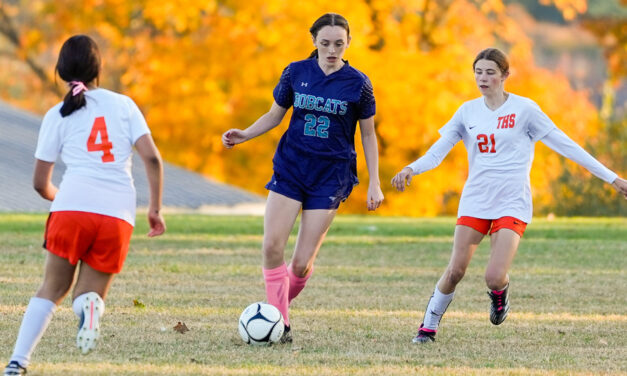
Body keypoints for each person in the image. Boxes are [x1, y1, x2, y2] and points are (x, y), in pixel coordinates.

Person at [391, 47, 627, 344]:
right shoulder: (467, 112)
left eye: (490, 72)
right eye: (478, 72)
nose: (483, 78)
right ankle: (427, 327)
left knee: (494, 276)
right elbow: (438, 152)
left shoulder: (525, 109)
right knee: (455, 271)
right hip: (476, 200)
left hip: (512, 202)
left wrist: (613, 178)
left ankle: (499, 296)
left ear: (505, 75)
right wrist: (412, 168)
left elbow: (566, 145)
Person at [3, 35, 166, 375]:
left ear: (60, 71)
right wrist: (154, 208)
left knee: (51, 289)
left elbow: (39, 182)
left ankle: (18, 361)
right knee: (88, 295)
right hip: (117, 214)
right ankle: (89, 308)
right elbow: (152, 158)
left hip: (71, 206)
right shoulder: (124, 105)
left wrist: (60, 199)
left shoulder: (57, 115)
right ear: (98, 69)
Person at [222, 13, 384, 343]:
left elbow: (368, 135)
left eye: (339, 44)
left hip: (331, 176)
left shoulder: (359, 83)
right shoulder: (296, 72)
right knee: (271, 247)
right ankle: (280, 323)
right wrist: (245, 134)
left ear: (348, 43)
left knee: (299, 265)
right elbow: (274, 115)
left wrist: (375, 182)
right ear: (314, 42)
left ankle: (273, 313)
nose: (332, 50)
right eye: (325, 43)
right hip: (292, 167)